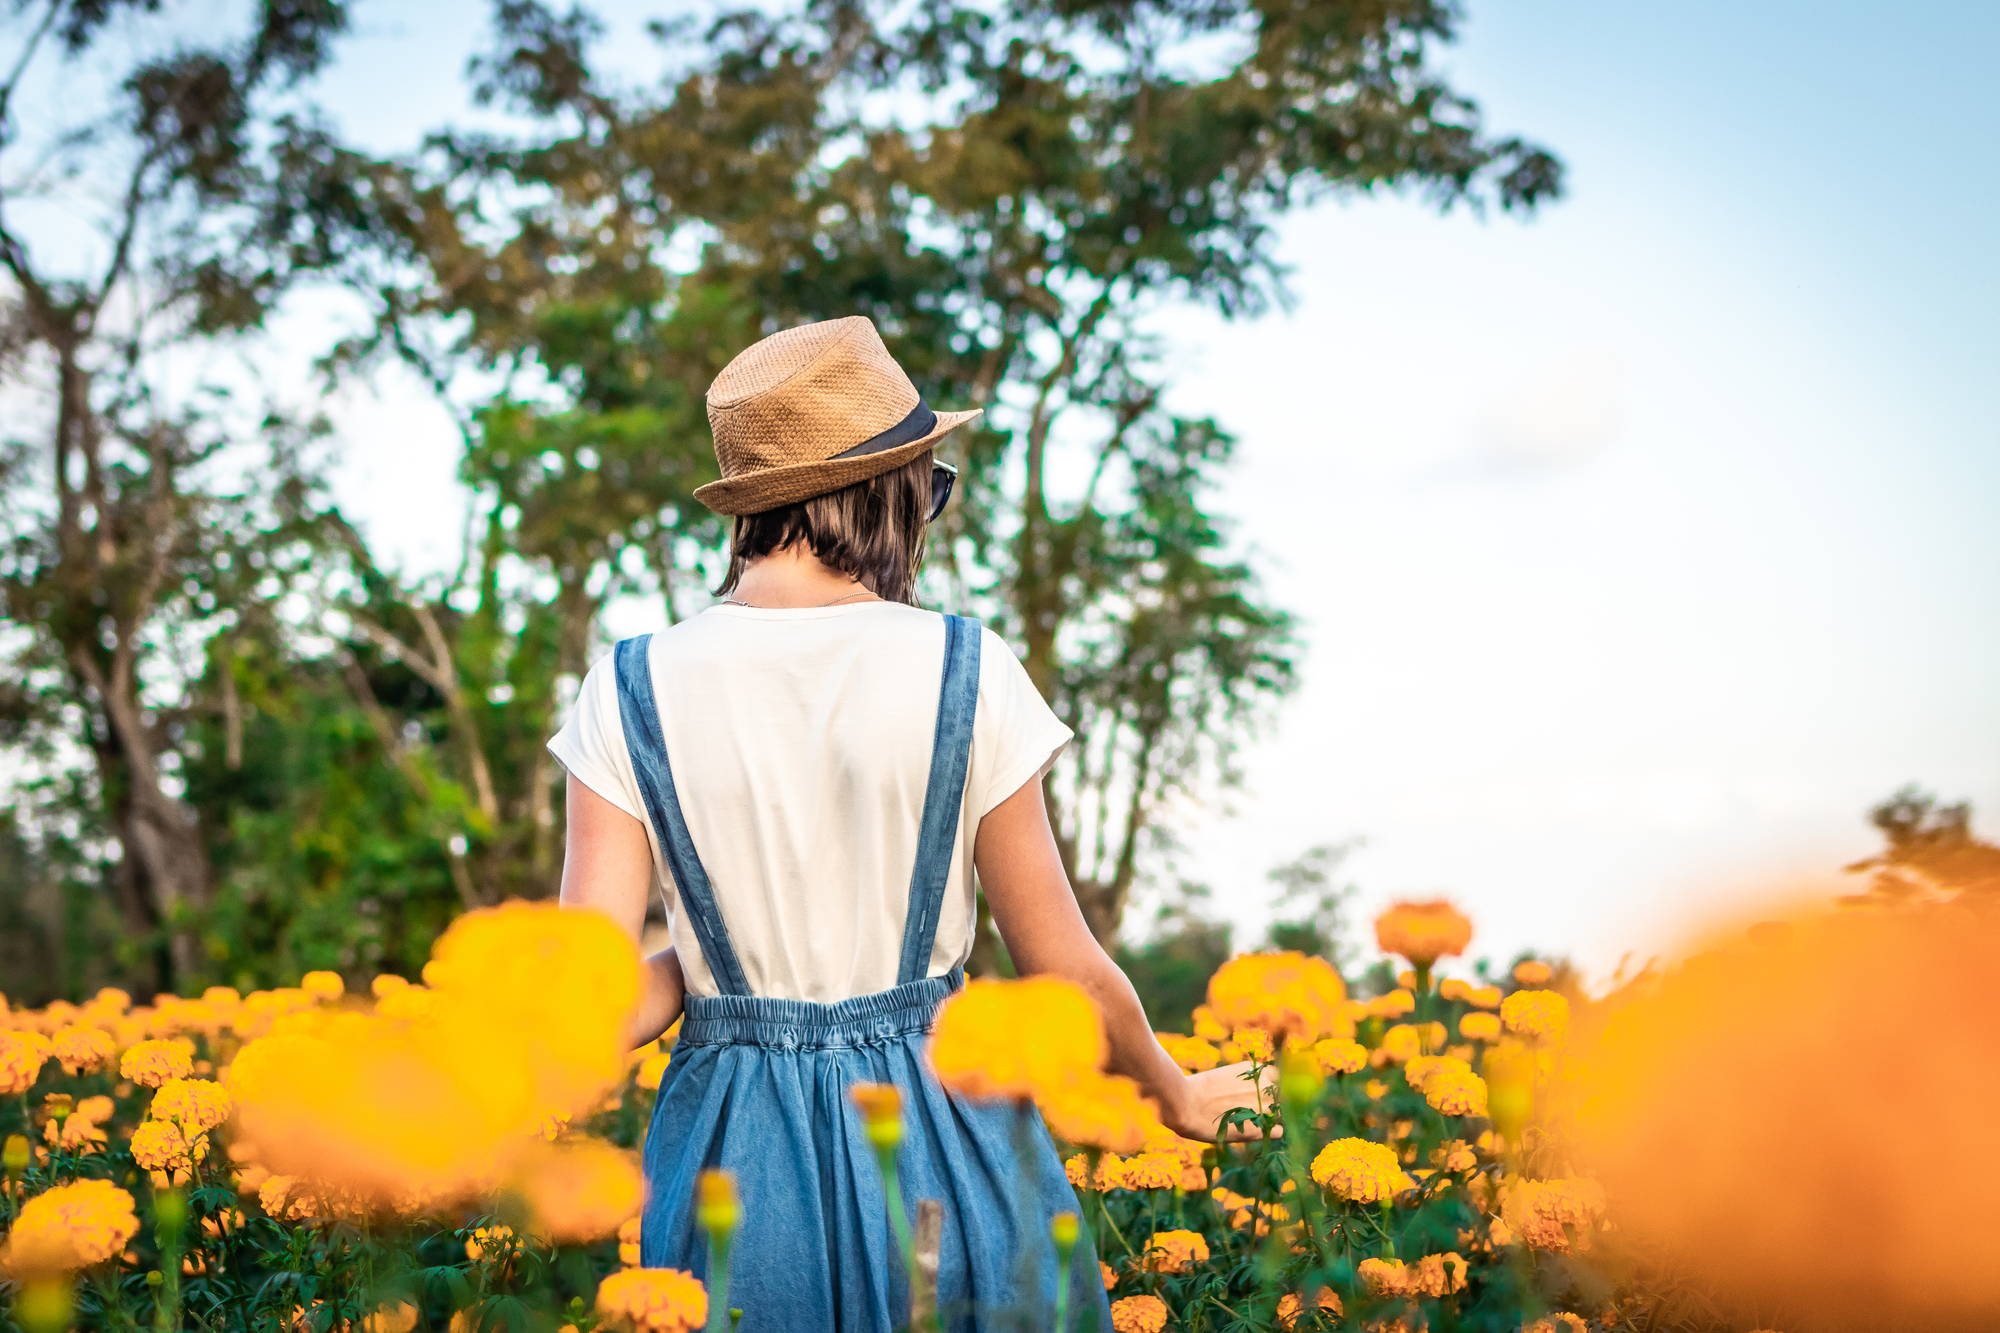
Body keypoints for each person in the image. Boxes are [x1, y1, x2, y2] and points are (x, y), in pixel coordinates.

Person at [549, 316, 1265, 1331]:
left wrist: (716, 966)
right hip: (944, 1117)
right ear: (888, 491)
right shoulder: (965, 667)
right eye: (929, 485)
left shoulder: (624, 688)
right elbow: (1062, 962)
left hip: (729, 1146)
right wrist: (1175, 1094)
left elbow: (590, 1002)